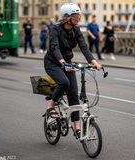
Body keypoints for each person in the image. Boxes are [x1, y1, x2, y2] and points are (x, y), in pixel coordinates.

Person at [43, 3, 102, 137]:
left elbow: (83, 46)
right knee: (64, 82)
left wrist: (94, 61)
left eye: (78, 16)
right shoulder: (55, 30)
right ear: (66, 17)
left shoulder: (76, 30)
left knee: (74, 94)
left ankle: (76, 127)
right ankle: (51, 105)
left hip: (67, 63)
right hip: (52, 63)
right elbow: (54, 47)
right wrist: (62, 62)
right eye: (75, 17)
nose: (78, 19)